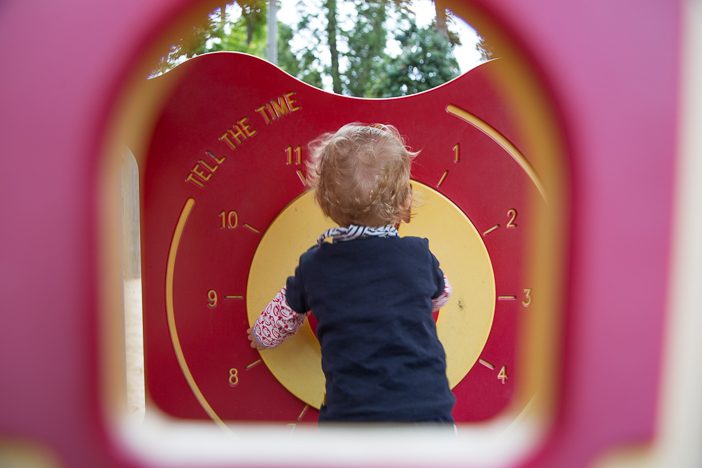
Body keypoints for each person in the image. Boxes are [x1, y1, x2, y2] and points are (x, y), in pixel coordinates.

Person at [247, 122, 455, 423]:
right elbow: (443, 294)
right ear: (405, 202)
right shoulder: (418, 255)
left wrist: (261, 336)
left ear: (324, 202)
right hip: (426, 416)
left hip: (352, 420)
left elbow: (284, 313)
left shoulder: (316, 264)